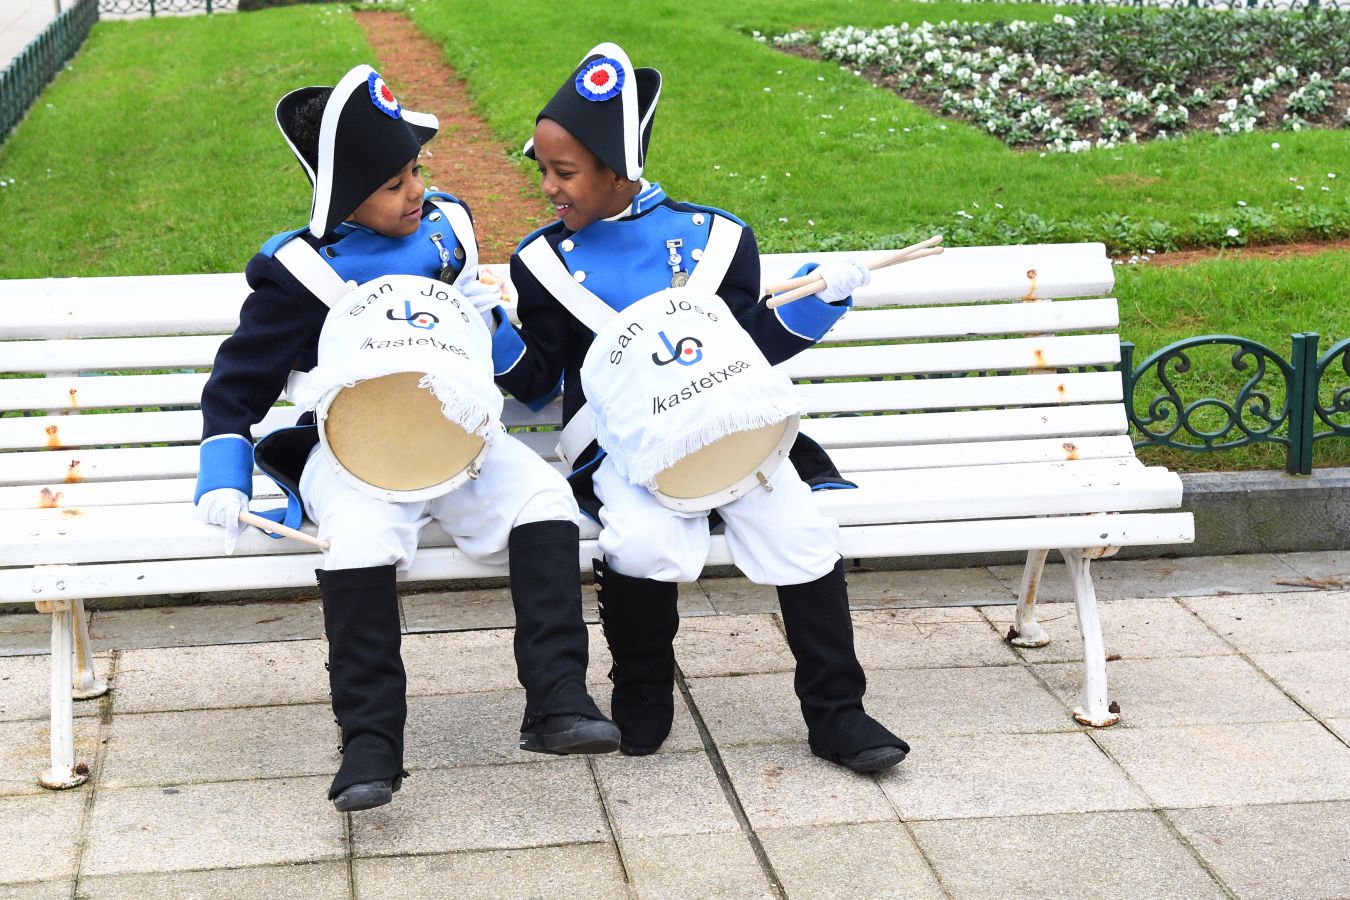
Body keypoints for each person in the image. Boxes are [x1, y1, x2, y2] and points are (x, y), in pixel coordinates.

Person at [193, 64, 620, 813]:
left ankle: (557, 700)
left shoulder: (446, 231)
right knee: (357, 539)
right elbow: (236, 387)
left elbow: (475, 337)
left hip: (462, 436)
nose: (416, 191)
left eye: (415, 170)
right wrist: (222, 473)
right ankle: (371, 743)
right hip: (355, 455)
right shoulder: (299, 272)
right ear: (340, 196)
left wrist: (489, 322)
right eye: (392, 184)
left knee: (545, 500)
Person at [489, 43, 909, 773]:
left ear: (619, 170)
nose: (549, 188)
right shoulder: (542, 261)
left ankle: (838, 711)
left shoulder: (718, 239)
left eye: (565, 173)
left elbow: (753, 350)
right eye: (544, 170)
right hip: (623, 449)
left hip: (733, 435)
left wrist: (827, 298)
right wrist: (488, 332)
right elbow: (536, 384)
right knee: (645, 541)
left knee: (801, 528)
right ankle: (642, 687)